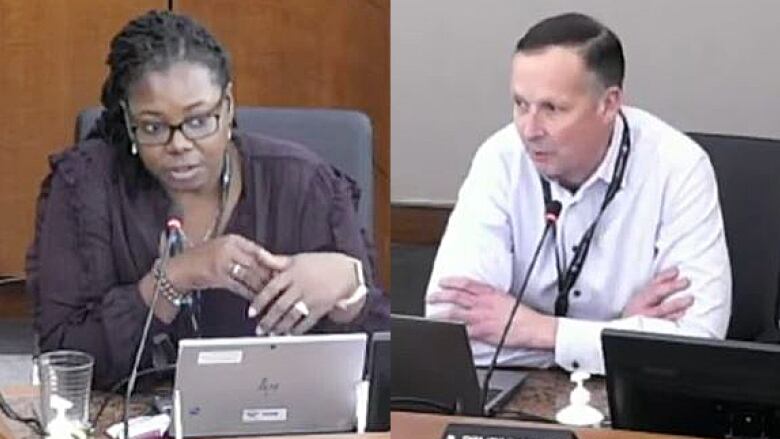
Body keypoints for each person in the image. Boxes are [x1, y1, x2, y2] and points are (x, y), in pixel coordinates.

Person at [27, 10, 389, 389]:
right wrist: (176, 277)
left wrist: (349, 291)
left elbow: (383, 365)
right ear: (128, 119)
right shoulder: (85, 187)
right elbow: (65, 360)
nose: (179, 145)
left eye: (199, 120)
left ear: (228, 105)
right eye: (153, 127)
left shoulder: (304, 184)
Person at [425, 12, 731, 374]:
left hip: (637, 405)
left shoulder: (679, 167)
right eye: (521, 104)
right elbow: (450, 334)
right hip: (517, 394)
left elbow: (697, 345)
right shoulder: (500, 158)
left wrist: (540, 331)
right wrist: (618, 336)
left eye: (551, 109)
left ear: (609, 104)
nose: (529, 129)